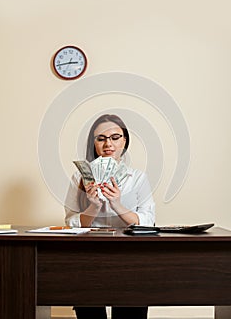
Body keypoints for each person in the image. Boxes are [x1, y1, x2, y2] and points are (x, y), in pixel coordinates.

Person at [64, 114, 155, 319]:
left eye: (115, 137)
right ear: (93, 143)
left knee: (130, 312)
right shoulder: (80, 177)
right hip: (88, 256)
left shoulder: (138, 178)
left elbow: (148, 221)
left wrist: (117, 204)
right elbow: (71, 223)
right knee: (90, 312)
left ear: (125, 140)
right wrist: (93, 207)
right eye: (101, 138)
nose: (108, 144)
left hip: (130, 256)